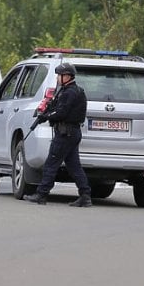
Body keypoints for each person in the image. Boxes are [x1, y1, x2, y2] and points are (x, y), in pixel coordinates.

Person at [24, 62, 92, 207]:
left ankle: (41, 194)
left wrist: (46, 116)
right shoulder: (72, 90)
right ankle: (85, 195)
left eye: (59, 75)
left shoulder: (69, 92)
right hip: (72, 133)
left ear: (67, 76)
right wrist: (46, 112)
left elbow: (61, 112)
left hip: (65, 133)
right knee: (74, 166)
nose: (57, 78)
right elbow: (56, 107)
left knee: (51, 164)